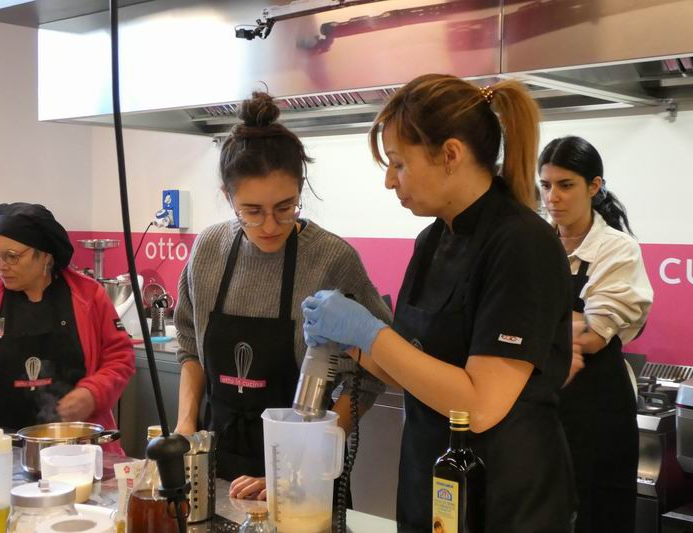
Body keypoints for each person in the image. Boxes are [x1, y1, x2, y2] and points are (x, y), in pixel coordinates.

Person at [302, 74, 577, 532]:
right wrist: (349, 341)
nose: (389, 181)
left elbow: (480, 405)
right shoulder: (432, 241)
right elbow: (412, 372)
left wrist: (371, 331)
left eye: (398, 163)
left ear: (450, 155)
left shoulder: (522, 244)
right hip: (429, 490)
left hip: (503, 501)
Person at [173, 92, 391, 498]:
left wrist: (303, 462)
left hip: (304, 481)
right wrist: (186, 425)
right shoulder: (208, 250)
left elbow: (372, 375)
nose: (271, 225)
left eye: (285, 207)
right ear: (228, 197)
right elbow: (189, 344)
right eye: (252, 211)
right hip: (213, 469)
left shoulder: (331, 259)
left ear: (300, 190)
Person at [0, 203, 135, 439]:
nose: (0, 266)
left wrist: (93, 393)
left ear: (45, 256)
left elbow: (120, 356)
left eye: (12, 256)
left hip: (76, 443)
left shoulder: (88, 296)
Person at [539, 136, 653, 533]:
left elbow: (591, 336)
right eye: (546, 185)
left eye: (565, 185)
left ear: (594, 185)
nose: (553, 197)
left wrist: (528, 325)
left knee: (597, 516)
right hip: (541, 405)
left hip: (598, 411)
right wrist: (568, 321)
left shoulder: (616, 249)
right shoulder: (533, 243)